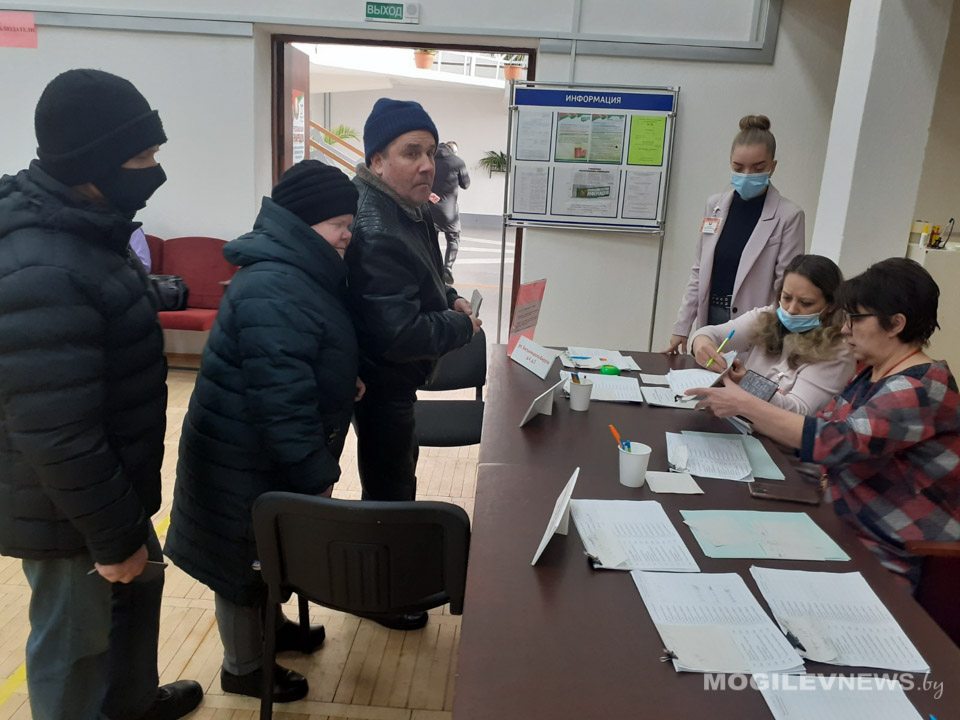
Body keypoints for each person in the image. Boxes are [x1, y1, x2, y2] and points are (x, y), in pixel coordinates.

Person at [0, 69, 202, 720]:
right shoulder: (42, 265)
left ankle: (132, 703)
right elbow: (56, 431)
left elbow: (99, 295)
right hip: (67, 506)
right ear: (90, 163)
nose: (154, 172)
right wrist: (112, 537)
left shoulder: (84, 224)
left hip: (111, 483)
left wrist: (153, 293)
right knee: (75, 642)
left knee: (139, 590)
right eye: (141, 158)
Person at [164, 161, 363, 703]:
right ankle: (245, 667)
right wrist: (316, 475)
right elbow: (281, 399)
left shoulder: (296, 271)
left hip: (254, 449)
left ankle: (273, 631)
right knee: (241, 564)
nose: (347, 235)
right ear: (303, 223)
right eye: (339, 224)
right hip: (242, 457)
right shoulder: (275, 284)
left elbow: (300, 355)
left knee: (265, 550)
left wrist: (342, 378)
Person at [688, 258, 960, 589]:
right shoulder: (874, 373)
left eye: (855, 319)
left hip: (882, 548)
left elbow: (834, 441)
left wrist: (744, 402)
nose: (845, 329)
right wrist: (745, 394)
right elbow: (819, 423)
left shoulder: (920, 387)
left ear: (895, 324)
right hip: (836, 521)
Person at [345, 98, 481, 629]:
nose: (427, 165)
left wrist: (450, 297)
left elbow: (426, 275)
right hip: (380, 381)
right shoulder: (377, 226)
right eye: (411, 153)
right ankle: (377, 595)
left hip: (392, 379)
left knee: (395, 479)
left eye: (431, 152)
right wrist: (461, 327)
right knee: (389, 487)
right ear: (377, 161)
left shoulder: (408, 207)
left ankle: (387, 576)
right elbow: (398, 333)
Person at [665, 115, 804, 354]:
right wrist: (682, 327)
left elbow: (786, 287)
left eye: (758, 168)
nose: (747, 174)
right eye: (738, 168)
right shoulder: (715, 206)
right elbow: (699, 271)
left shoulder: (789, 215)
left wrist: (776, 340)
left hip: (753, 326)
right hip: (710, 318)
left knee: (741, 377)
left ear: (772, 166)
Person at [689, 254, 855, 415]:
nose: (791, 310)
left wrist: (749, 382)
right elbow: (710, 334)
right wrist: (702, 343)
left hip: (772, 432)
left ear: (831, 305)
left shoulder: (838, 352)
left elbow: (799, 411)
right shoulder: (767, 316)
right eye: (786, 298)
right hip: (740, 418)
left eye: (806, 303)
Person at [429, 140, 471, 284]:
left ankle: (433, 268)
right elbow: (466, 184)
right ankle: (447, 267)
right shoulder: (457, 162)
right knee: (453, 239)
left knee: (431, 240)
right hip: (449, 210)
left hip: (429, 208)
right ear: (453, 151)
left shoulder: (429, 159)